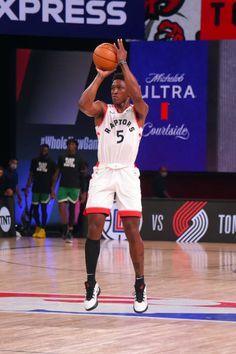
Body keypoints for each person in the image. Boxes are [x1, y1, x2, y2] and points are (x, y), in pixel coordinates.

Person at [79, 39, 149, 313]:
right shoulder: (103, 111)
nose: (116, 90)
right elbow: (83, 104)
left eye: (120, 87)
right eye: (114, 87)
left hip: (128, 173)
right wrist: (100, 76)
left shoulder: (139, 111)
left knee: (133, 231)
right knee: (94, 225)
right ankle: (91, 284)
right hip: (104, 171)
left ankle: (140, 286)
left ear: (129, 92)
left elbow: (138, 93)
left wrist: (122, 63)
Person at [52, 138, 87, 243]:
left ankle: (70, 231)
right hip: (63, 186)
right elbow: (57, 173)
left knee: (72, 208)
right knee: (61, 206)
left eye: (73, 144)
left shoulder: (80, 159)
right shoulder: (61, 157)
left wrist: (83, 192)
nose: (71, 146)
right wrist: (52, 188)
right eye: (69, 144)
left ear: (75, 146)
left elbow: (83, 176)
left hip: (75, 186)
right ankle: (64, 227)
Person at [24, 144, 56, 238]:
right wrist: (27, 187)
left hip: (45, 189)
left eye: (46, 150)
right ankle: (38, 227)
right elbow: (31, 174)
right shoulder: (34, 160)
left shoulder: (51, 162)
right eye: (42, 149)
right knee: (34, 209)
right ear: (40, 150)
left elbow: (54, 177)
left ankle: (43, 229)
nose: (44, 151)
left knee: (43, 209)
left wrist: (52, 189)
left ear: (48, 151)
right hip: (36, 188)